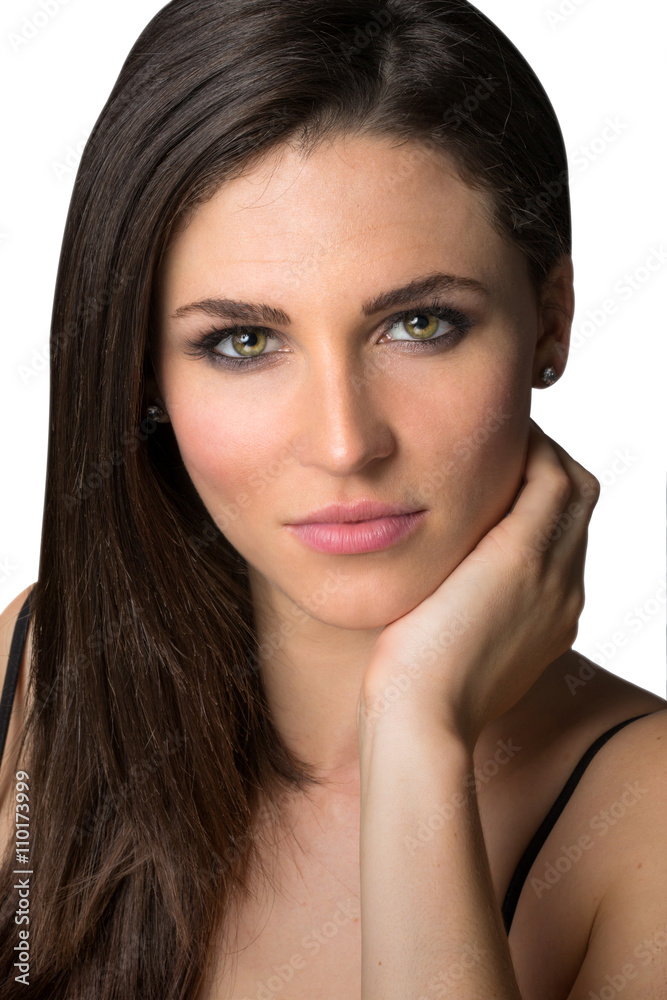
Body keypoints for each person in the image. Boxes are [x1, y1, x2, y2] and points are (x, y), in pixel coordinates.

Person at [0, 1, 665, 997]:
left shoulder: (644, 819)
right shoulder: (36, 679)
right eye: (243, 342)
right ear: (142, 375)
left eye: (420, 324)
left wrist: (417, 735)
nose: (346, 443)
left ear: (550, 321)